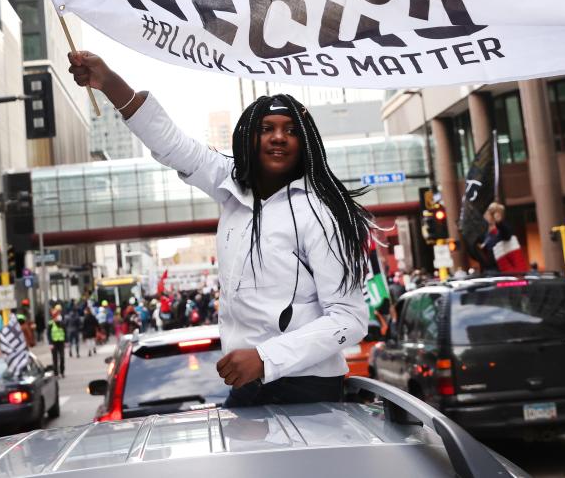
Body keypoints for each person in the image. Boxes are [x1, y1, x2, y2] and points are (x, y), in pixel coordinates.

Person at [69, 51, 371, 407]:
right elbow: (171, 144)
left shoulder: (321, 213)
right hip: (247, 386)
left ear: (305, 145)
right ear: (248, 138)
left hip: (308, 388)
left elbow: (349, 319)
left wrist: (265, 358)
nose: (278, 137)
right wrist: (110, 83)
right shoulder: (230, 187)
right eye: (267, 129)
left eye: (290, 131)